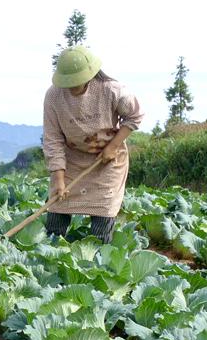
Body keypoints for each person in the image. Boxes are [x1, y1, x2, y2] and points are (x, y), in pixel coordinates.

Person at [42, 46, 144, 242]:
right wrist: (58, 178)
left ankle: (99, 263)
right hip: (72, 159)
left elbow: (134, 116)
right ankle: (51, 255)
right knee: (57, 211)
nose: (71, 86)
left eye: (76, 82)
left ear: (89, 75)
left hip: (107, 161)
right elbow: (52, 138)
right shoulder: (54, 96)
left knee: (102, 215)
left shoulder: (112, 90)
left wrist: (113, 146)